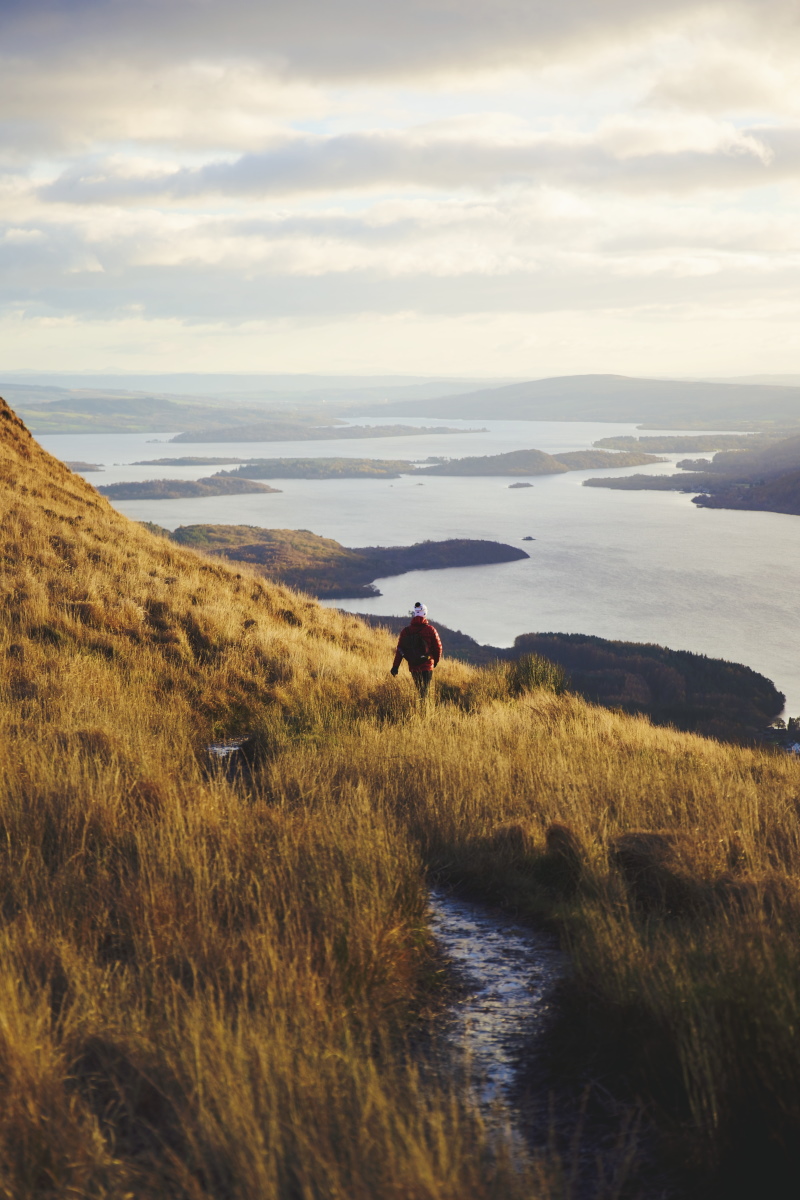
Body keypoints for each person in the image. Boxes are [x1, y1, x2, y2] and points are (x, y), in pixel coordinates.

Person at [390, 602, 443, 698]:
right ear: (425, 613)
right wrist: (435, 661)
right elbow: (438, 647)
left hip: (414, 666)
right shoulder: (430, 630)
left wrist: (395, 667)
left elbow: (400, 650)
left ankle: (421, 708)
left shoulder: (406, 631)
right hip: (427, 665)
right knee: (425, 690)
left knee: (420, 690)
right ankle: (425, 709)